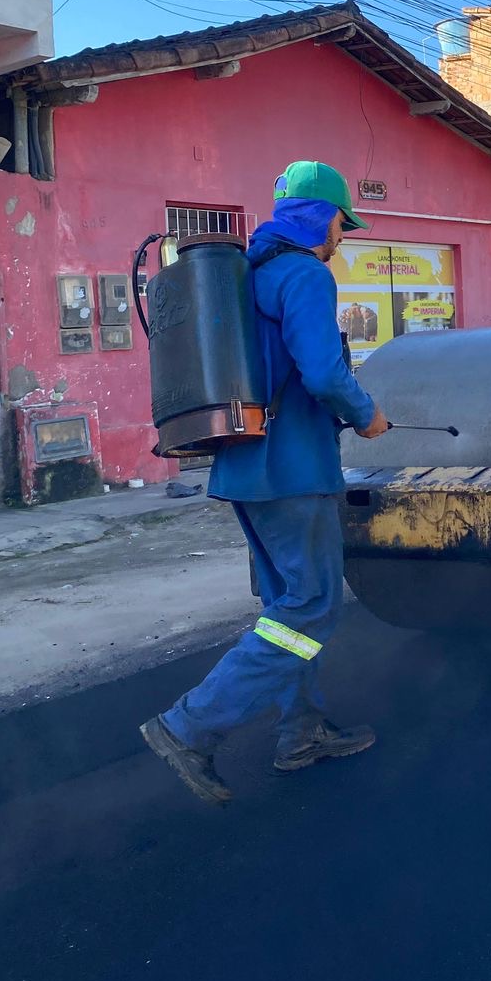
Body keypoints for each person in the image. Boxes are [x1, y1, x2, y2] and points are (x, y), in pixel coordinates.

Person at [140, 160, 391, 806]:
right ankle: (188, 727)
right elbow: (325, 374)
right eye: (342, 219)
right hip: (293, 469)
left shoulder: (241, 276)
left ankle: (300, 732)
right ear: (319, 217)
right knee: (310, 607)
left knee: (285, 608)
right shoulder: (305, 274)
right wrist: (366, 416)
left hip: (243, 467)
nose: (344, 232)